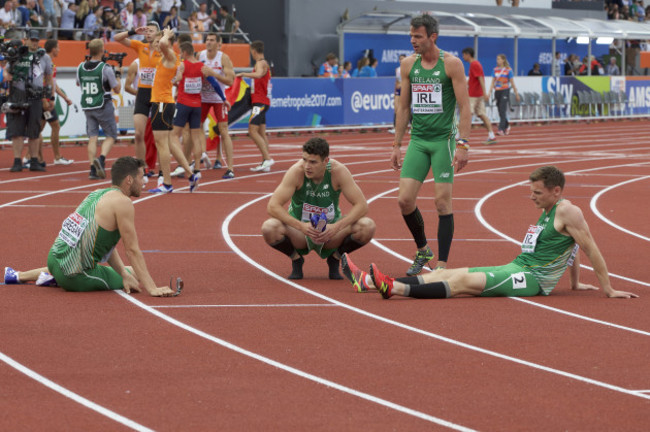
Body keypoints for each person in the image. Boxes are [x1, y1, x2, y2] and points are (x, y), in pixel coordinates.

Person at [341, 166, 639, 301]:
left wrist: (608, 289)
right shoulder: (551, 211)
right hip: (518, 266)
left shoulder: (568, 211)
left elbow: (590, 247)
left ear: (556, 191)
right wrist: (574, 284)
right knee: (445, 273)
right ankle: (367, 281)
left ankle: (393, 289)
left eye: (537, 192)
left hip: (531, 280)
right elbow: (570, 248)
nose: (532, 197)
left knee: (460, 282)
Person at [392, 14, 471, 275]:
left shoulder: (452, 64)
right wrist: (396, 144)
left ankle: (442, 266)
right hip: (418, 140)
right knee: (404, 200)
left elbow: (465, 106)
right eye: (411, 36)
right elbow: (403, 107)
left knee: (441, 202)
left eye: (418, 36)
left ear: (432, 37)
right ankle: (423, 249)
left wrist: (463, 144)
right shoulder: (407, 65)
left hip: (442, 141)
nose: (413, 41)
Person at [45, 156, 175, 296]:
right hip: (74, 276)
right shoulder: (123, 203)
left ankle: (29, 275)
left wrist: (123, 274)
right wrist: (152, 288)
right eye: (141, 177)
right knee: (136, 276)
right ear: (129, 180)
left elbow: (104, 244)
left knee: (130, 272)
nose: (144, 182)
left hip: (53, 259)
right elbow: (132, 250)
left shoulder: (97, 193)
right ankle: (55, 278)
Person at [262, 137, 376, 280]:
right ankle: (296, 259)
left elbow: (362, 206)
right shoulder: (296, 172)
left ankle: (335, 258)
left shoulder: (338, 171)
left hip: (330, 232)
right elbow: (273, 206)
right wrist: (301, 226)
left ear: (326, 161)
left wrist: (335, 227)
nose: (307, 166)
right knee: (269, 228)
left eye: (313, 162)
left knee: (367, 226)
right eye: (304, 160)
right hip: (301, 232)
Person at [147, 28, 199, 194]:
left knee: (162, 144)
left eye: (158, 42)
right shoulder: (168, 58)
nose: (156, 44)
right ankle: (191, 174)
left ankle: (167, 183)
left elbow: (163, 43)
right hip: (166, 103)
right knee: (170, 142)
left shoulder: (170, 56)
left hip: (161, 104)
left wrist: (167, 34)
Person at [6, 29, 54, 173]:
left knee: (34, 129)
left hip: (36, 96)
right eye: (32, 40)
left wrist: (50, 97)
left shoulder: (44, 57)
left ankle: (34, 161)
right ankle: (17, 161)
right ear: (25, 39)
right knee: (17, 130)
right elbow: (6, 70)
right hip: (18, 94)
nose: (34, 43)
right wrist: (7, 76)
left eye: (36, 40)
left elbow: (49, 77)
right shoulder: (18, 54)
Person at [115, 21, 162, 164]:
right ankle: (141, 168)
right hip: (142, 94)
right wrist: (133, 31)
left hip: (158, 94)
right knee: (138, 134)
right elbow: (117, 38)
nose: (148, 33)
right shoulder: (141, 47)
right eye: (146, 31)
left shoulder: (164, 50)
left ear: (158, 34)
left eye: (151, 31)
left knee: (160, 136)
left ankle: (161, 170)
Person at [76, 38, 121, 180]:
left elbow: (78, 83)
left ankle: (92, 169)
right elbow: (117, 88)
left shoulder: (80, 67)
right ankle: (101, 159)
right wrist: (118, 74)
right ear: (102, 51)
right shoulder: (105, 68)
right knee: (111, 135)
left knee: (92, 137)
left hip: (88, 105)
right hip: (103, 103)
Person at [198, 32, 235, 174]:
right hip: (203, 98)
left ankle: (230, 167)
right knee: (197, 126)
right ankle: (202, 153)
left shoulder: (223, 58)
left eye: (212, 40)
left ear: (218, 44)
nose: (209, 42)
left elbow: (230, 81)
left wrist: (214, 74)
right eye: (207, 40)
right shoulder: (200, 56)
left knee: (223, 131)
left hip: (219, 99)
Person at [237, 40, 274, 174]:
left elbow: (258, 75)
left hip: (260, 103)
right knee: (261, 132)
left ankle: (267, 159)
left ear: (254, 51)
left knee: (252, 130)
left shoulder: (260, 63)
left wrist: (243, 74)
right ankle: (266, 161)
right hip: (262, 101)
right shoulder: (264, 64)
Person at [461, 47, 496, 145]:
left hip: (474, 95)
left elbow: (480, 78)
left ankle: (461, 137)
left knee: (467, 115)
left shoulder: (474, 64)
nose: (463, 57)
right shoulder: (474, 64)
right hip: (477, 94)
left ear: (468, 54)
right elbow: (473, 79)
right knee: (482, 115)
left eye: (464, 55)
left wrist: (485, 93)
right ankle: (491, 135)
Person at [486, 53, 519, 136]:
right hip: (497, 91)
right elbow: (492, 82)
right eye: (497, 59)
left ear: (503, 60)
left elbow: (512, 82)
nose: (498, 60)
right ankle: (507, 125)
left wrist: (516, 93)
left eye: (499, 59)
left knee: (502, 109)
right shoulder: (495, 70)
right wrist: (489, 92)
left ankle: (501, 129)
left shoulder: (508, 70)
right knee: (499, 109)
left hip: (505, 90)